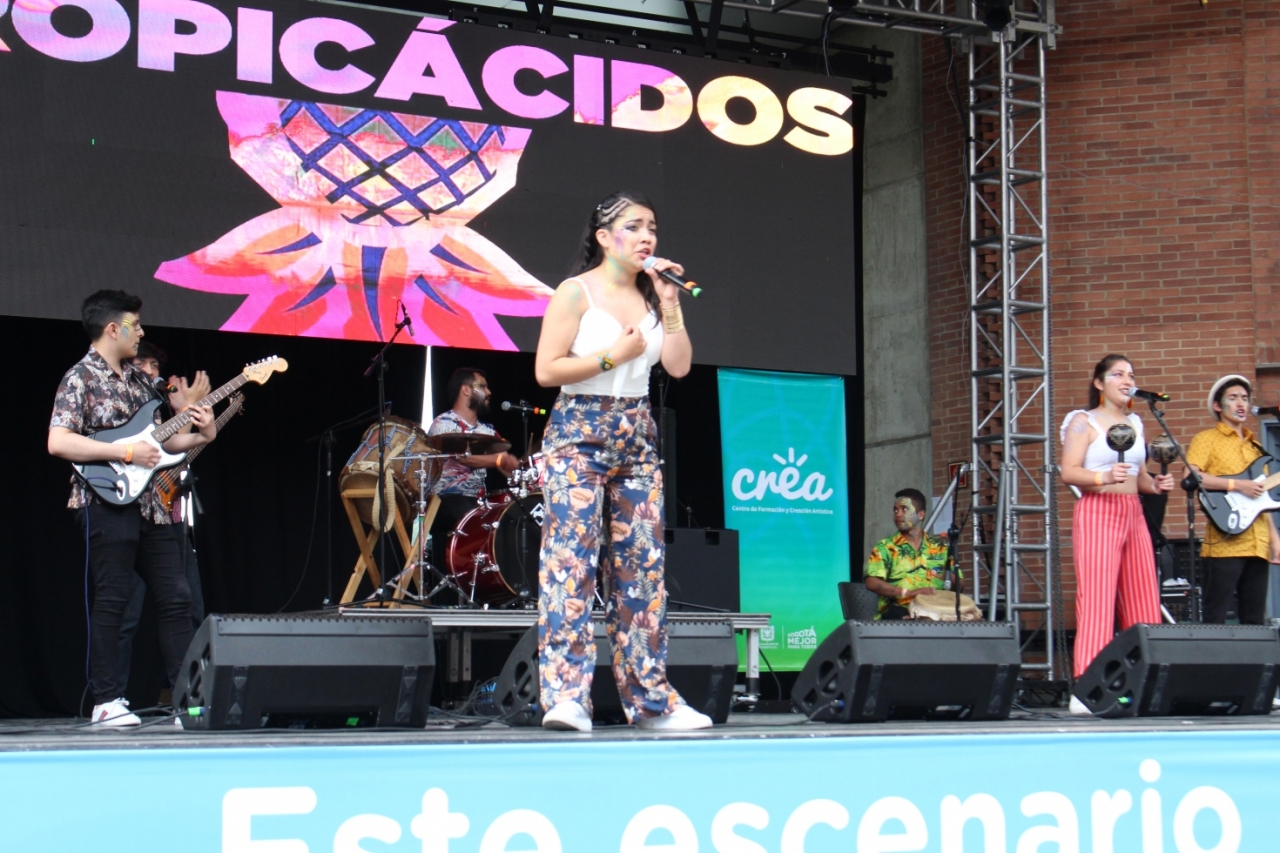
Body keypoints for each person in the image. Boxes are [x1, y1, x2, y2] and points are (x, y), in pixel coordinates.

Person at [532, 191, 706, 733]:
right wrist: (614, 356)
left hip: (636, 432)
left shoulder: (655, 298)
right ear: (605, 237)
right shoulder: (574, 292)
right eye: (633, 226)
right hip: (577, 431)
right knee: (572, 563)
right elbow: (545, 370)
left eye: (652, 226)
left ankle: (652, 702)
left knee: (642, 572)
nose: (647, 236)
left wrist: (670, 304)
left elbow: (678, 367)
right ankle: (566, 697)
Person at [47, 291, 217, 726]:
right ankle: (106, 700)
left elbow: (161, 443)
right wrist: (123, 455)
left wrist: (202, 432)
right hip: (104, 502)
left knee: (177, 598)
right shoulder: (80, 377)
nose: (141, 332)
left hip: (152, 505)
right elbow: (59, 441)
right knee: (114, 601)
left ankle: (188, 702)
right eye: (134, 325)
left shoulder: (142, 382)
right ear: (112, 329)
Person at [1059, 354, 1174, 713]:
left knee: (1143, 597)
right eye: (1118, 374)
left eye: (1132, 375)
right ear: (1099, 383)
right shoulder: (1083, 421)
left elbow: (1137, 477)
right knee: (1097, 600)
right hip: (1098, 510)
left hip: (1133, 513)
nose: (1128, 380)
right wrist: (1102, 478)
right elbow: (1069, 472)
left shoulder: (1136, 422)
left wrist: (1155, 485)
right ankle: (1089, 687)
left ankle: (1145, 681)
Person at [116, 341, 211, 699]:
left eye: (156, 365)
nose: (153, 371)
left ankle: (187, 696)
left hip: (168, 520)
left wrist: (189, 414)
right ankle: (111, 698)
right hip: (130, 518)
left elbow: (174, 451)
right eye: (145, 363)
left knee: (186, 607)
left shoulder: (160, 410)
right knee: (124, 615)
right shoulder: (122, 404)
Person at [1185, 375, 1280, 624]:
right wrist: (1237, 485)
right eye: (1234, 398)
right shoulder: (1206, 439)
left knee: (1255, 620)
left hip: (1257, 543)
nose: (1241, 404)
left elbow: (1262, 498)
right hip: (1225, 541)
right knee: (1215, 617)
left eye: (1245, 399)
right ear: (1218, 406)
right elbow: (1190, 475)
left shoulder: (1256, 448)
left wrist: (1275, 539)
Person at [427, 368, 520, 568]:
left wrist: (520, 470)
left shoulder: (487, 431)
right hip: (444, 501)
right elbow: (465, 458)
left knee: (513, 515)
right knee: (470, 512)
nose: (489, 392)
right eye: (482, 386)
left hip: (478, 501)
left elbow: (504, 463)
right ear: (466, 390)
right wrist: (499, 461)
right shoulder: (444, 423)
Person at [863, 489, 956, 620]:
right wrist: (908, 593)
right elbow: (871, 582)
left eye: (904, 509)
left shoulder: (941, 547)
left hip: (937, 611)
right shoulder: (885, 547)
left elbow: (960, 584)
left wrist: (950, 579)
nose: (898, 514)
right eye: (895, 510)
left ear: (921, 515)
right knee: (907, 618)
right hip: (898, 611)